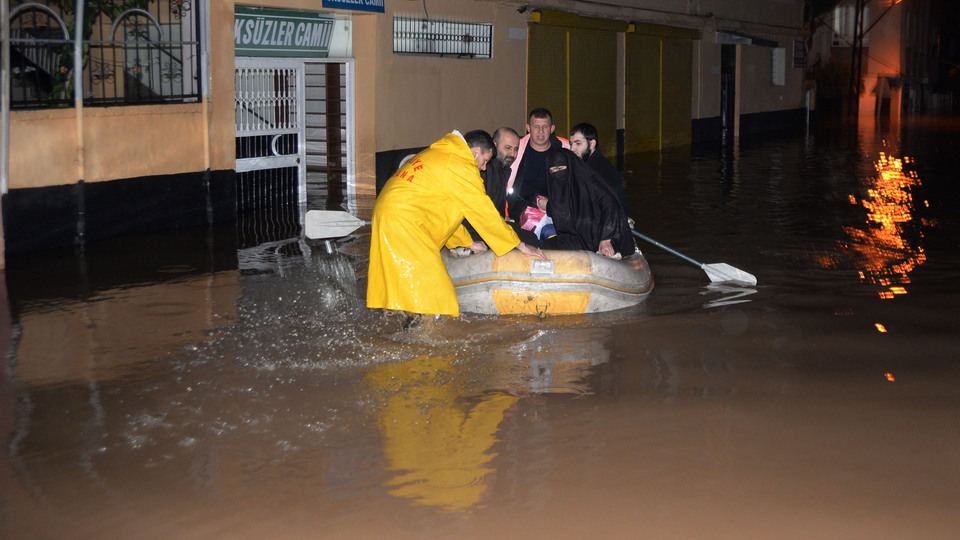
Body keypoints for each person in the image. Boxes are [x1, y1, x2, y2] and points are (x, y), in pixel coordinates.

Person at [367, 129, 545, 318]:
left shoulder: (444, 154)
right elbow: (483, 211)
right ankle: (428, 331)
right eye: (485, 161)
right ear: (476, 152)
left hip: (392, 214)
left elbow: (446, 210)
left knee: (409, 287)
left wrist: (467, 242)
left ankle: (405, 326)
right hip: (404, 220)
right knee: (436, 292)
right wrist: (519, 244)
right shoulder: (461, 165)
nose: (484, 168)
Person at [539, 148, 636, 259]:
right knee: (546, 245)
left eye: (560, 169)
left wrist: (605, 239)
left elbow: (610, 204)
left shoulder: (590, 183)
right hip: (580, 238)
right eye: (552, 171)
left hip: (599, 237)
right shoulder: (560, 187)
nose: (556, 174)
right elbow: (566, 209)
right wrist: (547, 207)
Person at [465, 127, 538, 245]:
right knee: (531, 240)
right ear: (494, 145)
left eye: (516, 149)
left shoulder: (503, 170)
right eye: (507, 148)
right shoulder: (485, 169)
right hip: (477, 232)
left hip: (492, 227)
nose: (512, 154)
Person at [505, 108, 570, 224]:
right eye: (536, 127)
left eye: (545, 127)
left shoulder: (566, 150)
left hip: (555, 212)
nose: (541, 131)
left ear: (552, 129)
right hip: (519, 212)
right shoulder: (516, 150)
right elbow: (503, 185)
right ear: (528, 128)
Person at [569, 122, 628, 213]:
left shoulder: (600, 172)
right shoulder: (585, 166)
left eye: (578, 143)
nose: (572, 148)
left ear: (592, 144)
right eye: (571, 144)